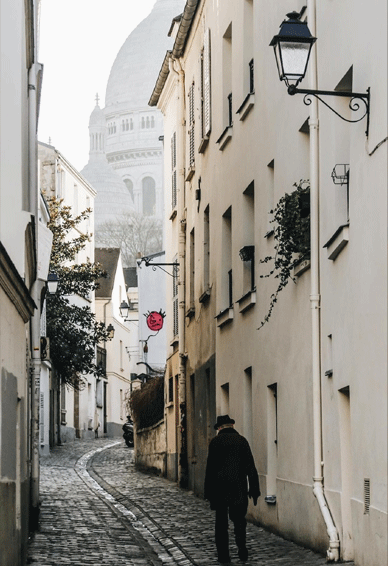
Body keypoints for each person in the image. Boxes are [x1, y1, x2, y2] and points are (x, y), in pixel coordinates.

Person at [204, 415, 260, 564]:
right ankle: (241, 547)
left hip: (220, 489)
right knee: (239, 521)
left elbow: (210, 469)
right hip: (238, 488)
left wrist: (208, 492)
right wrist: (254, 489)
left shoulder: (215, 442)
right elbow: (251, 468)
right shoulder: (242, 441)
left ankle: (224, 556)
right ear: (232, 426)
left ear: (220, 428)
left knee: (221, 524)